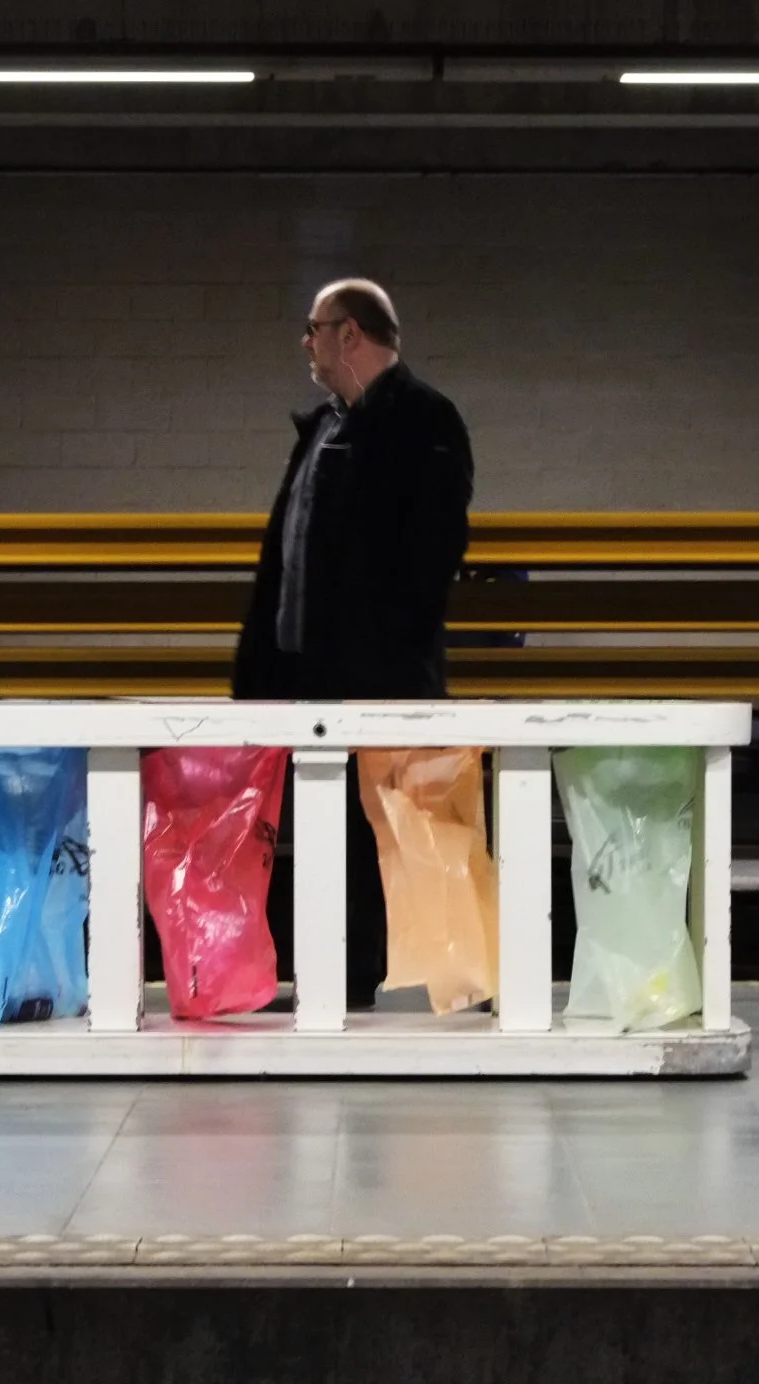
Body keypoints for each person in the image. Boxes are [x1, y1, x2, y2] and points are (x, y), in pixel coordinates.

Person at [233, 279, 474, 1009]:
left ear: (351, 334)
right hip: (307, 674)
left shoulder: (425, 420)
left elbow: (430, 556)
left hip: (379, 674)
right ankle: (333, 979)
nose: (305, 343)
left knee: (396, 834)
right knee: (323, 829)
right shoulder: (325, 428)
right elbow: (289, 557)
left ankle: (429, 979)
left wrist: (385, 663)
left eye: (314, 328)